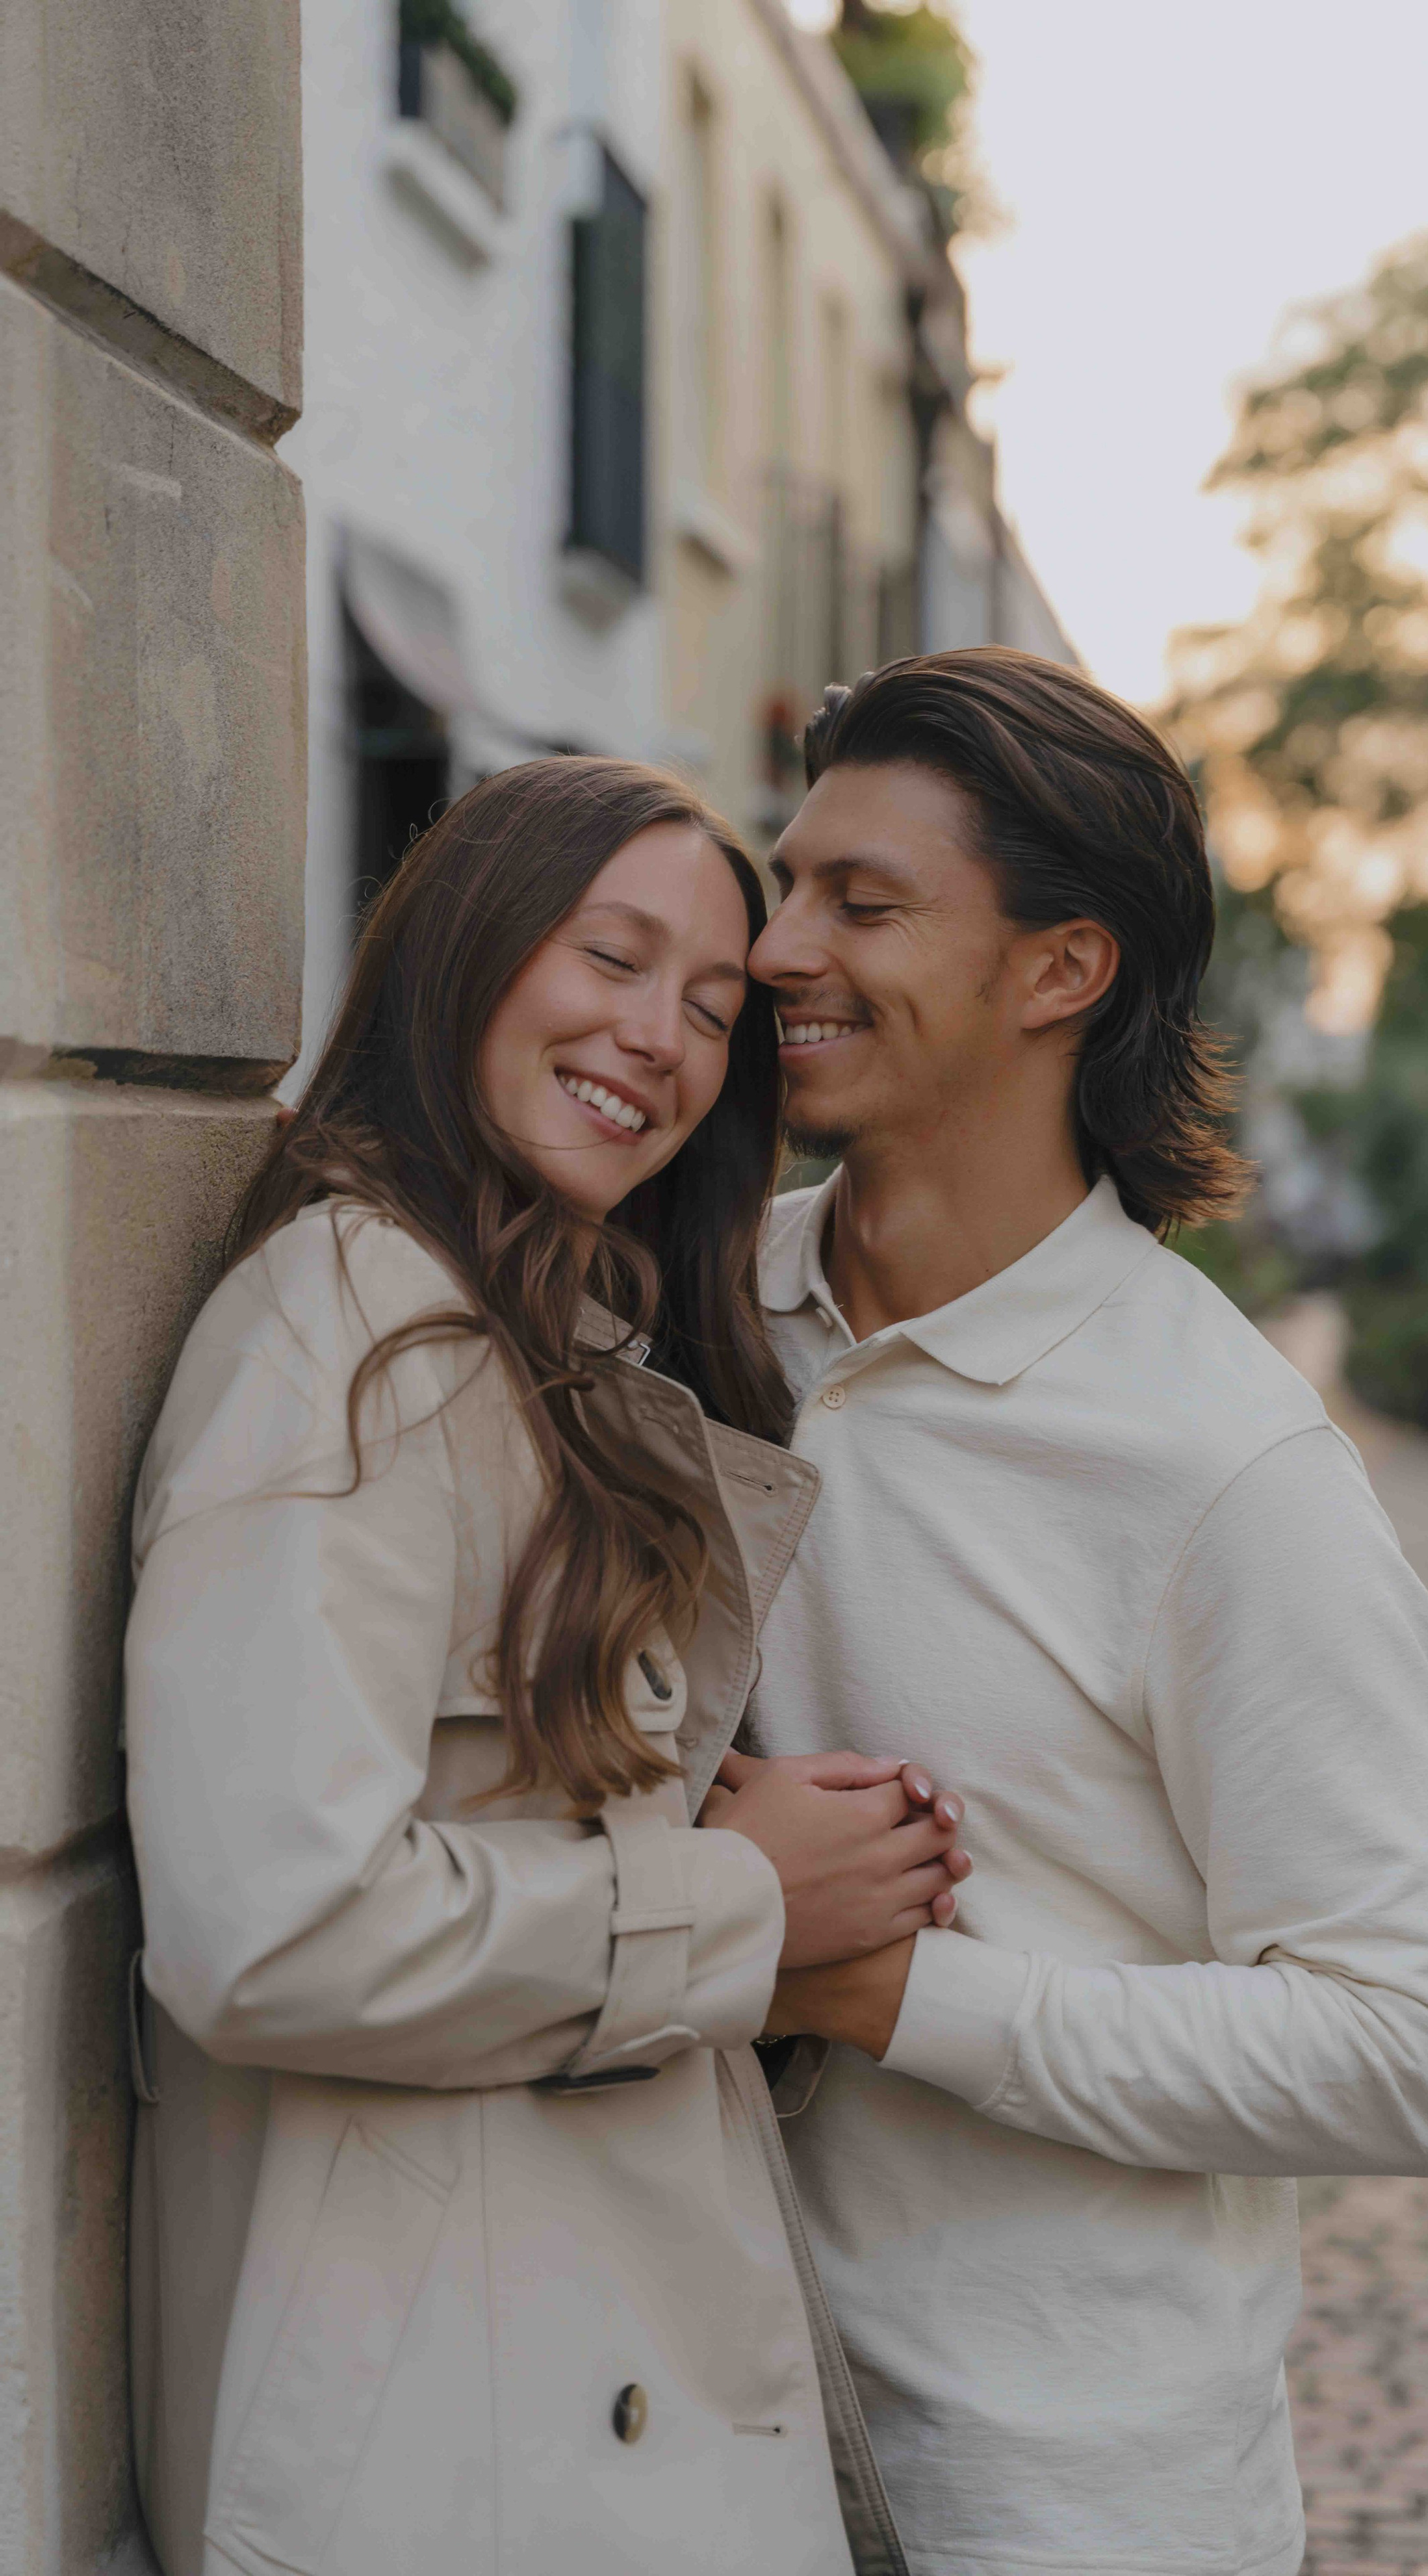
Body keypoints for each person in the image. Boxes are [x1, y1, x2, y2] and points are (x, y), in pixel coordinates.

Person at [123, 756, 971, 2576]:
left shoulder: (538, 1345)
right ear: (470, 949)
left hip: (561, 2386)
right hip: (459, 2438)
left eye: (715, 1007)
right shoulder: (353, 1324)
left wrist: (719, 1820)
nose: (658, 1037)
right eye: (610, 956)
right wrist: (739, 1898)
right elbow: (270, 1924)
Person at [742, 649, 1428, 2576]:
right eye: (785, 882)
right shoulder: (681, 1321)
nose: (774, 950)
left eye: (864, 903)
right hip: (669, 2441)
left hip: (1060, 2507)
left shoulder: (1226, 1469)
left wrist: (891, 1991)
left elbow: (1402, 2046)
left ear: (1060, 970)